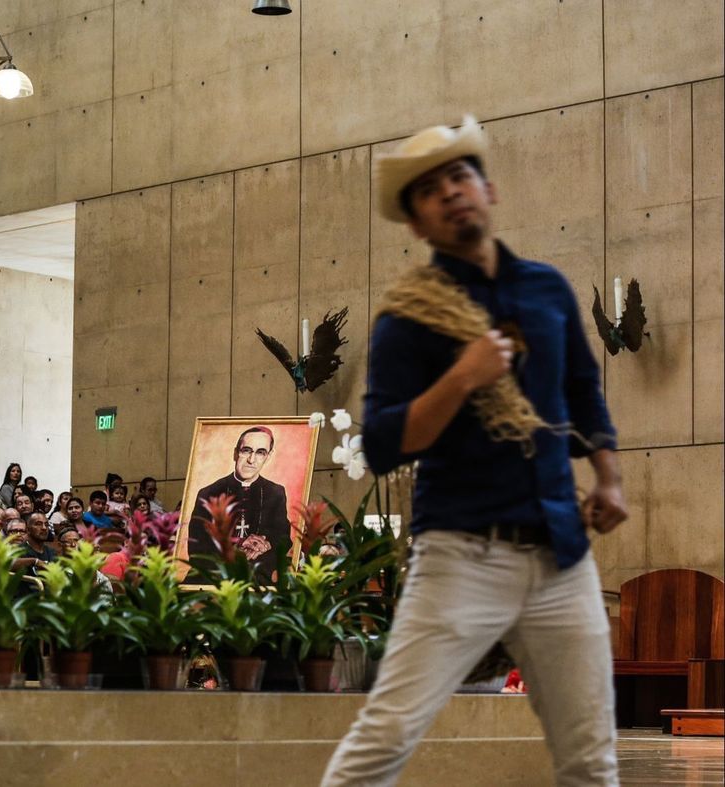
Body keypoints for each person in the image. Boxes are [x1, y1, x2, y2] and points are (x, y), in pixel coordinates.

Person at [321, 117, 625, 786]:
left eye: (461, 176)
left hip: (561, 553)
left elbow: (583, 388)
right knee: (385, 738)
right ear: (417, 225)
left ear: (488, 190)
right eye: (430, 190)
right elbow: (380, 446)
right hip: (461, 554)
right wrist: (462, 375)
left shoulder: (547, 288)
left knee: (592, 759)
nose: (452, 192)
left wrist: (607, 477)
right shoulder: (408, 317)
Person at [185, 426, 290, 578]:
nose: (251, 460)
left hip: (258, 573)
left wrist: (265, 546)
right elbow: (196, 547)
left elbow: (283, 536)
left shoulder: (275, 492)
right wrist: (236, 550)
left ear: (268, 456)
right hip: (216, 575)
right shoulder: (208, 493)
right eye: (246, 450)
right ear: (236, 453)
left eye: (260, 452)